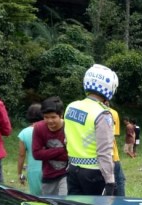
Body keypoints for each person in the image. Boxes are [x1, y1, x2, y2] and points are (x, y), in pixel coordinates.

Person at [64, 64, 117, 196]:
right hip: (94, 174)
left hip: (73, 169)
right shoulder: (103, 114)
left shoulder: (71, 107)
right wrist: (110, 181)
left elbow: (67, 139)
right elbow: (104, 151)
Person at [32, 96, 68, 196]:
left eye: (53, 117)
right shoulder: (39, 128)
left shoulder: (68, 128)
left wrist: (47, 151)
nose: (49, 121)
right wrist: (62, 150)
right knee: (49, 204)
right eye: (46, 117)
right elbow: (36, 154)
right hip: (48, 174)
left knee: (64, 202)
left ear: (61, 115)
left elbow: (71, 155)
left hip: (66, 173)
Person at [17, 103, 43, 196]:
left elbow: (21, 155)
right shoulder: (50, 129)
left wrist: (19, 173)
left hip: (34, 170)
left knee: (38, 199)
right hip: (51, 169)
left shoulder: (24, 133)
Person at [105, 100, 127, 196]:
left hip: (89, 158)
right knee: (119, 182)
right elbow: (114, 135)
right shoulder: (113, 113)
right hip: (111, 155)